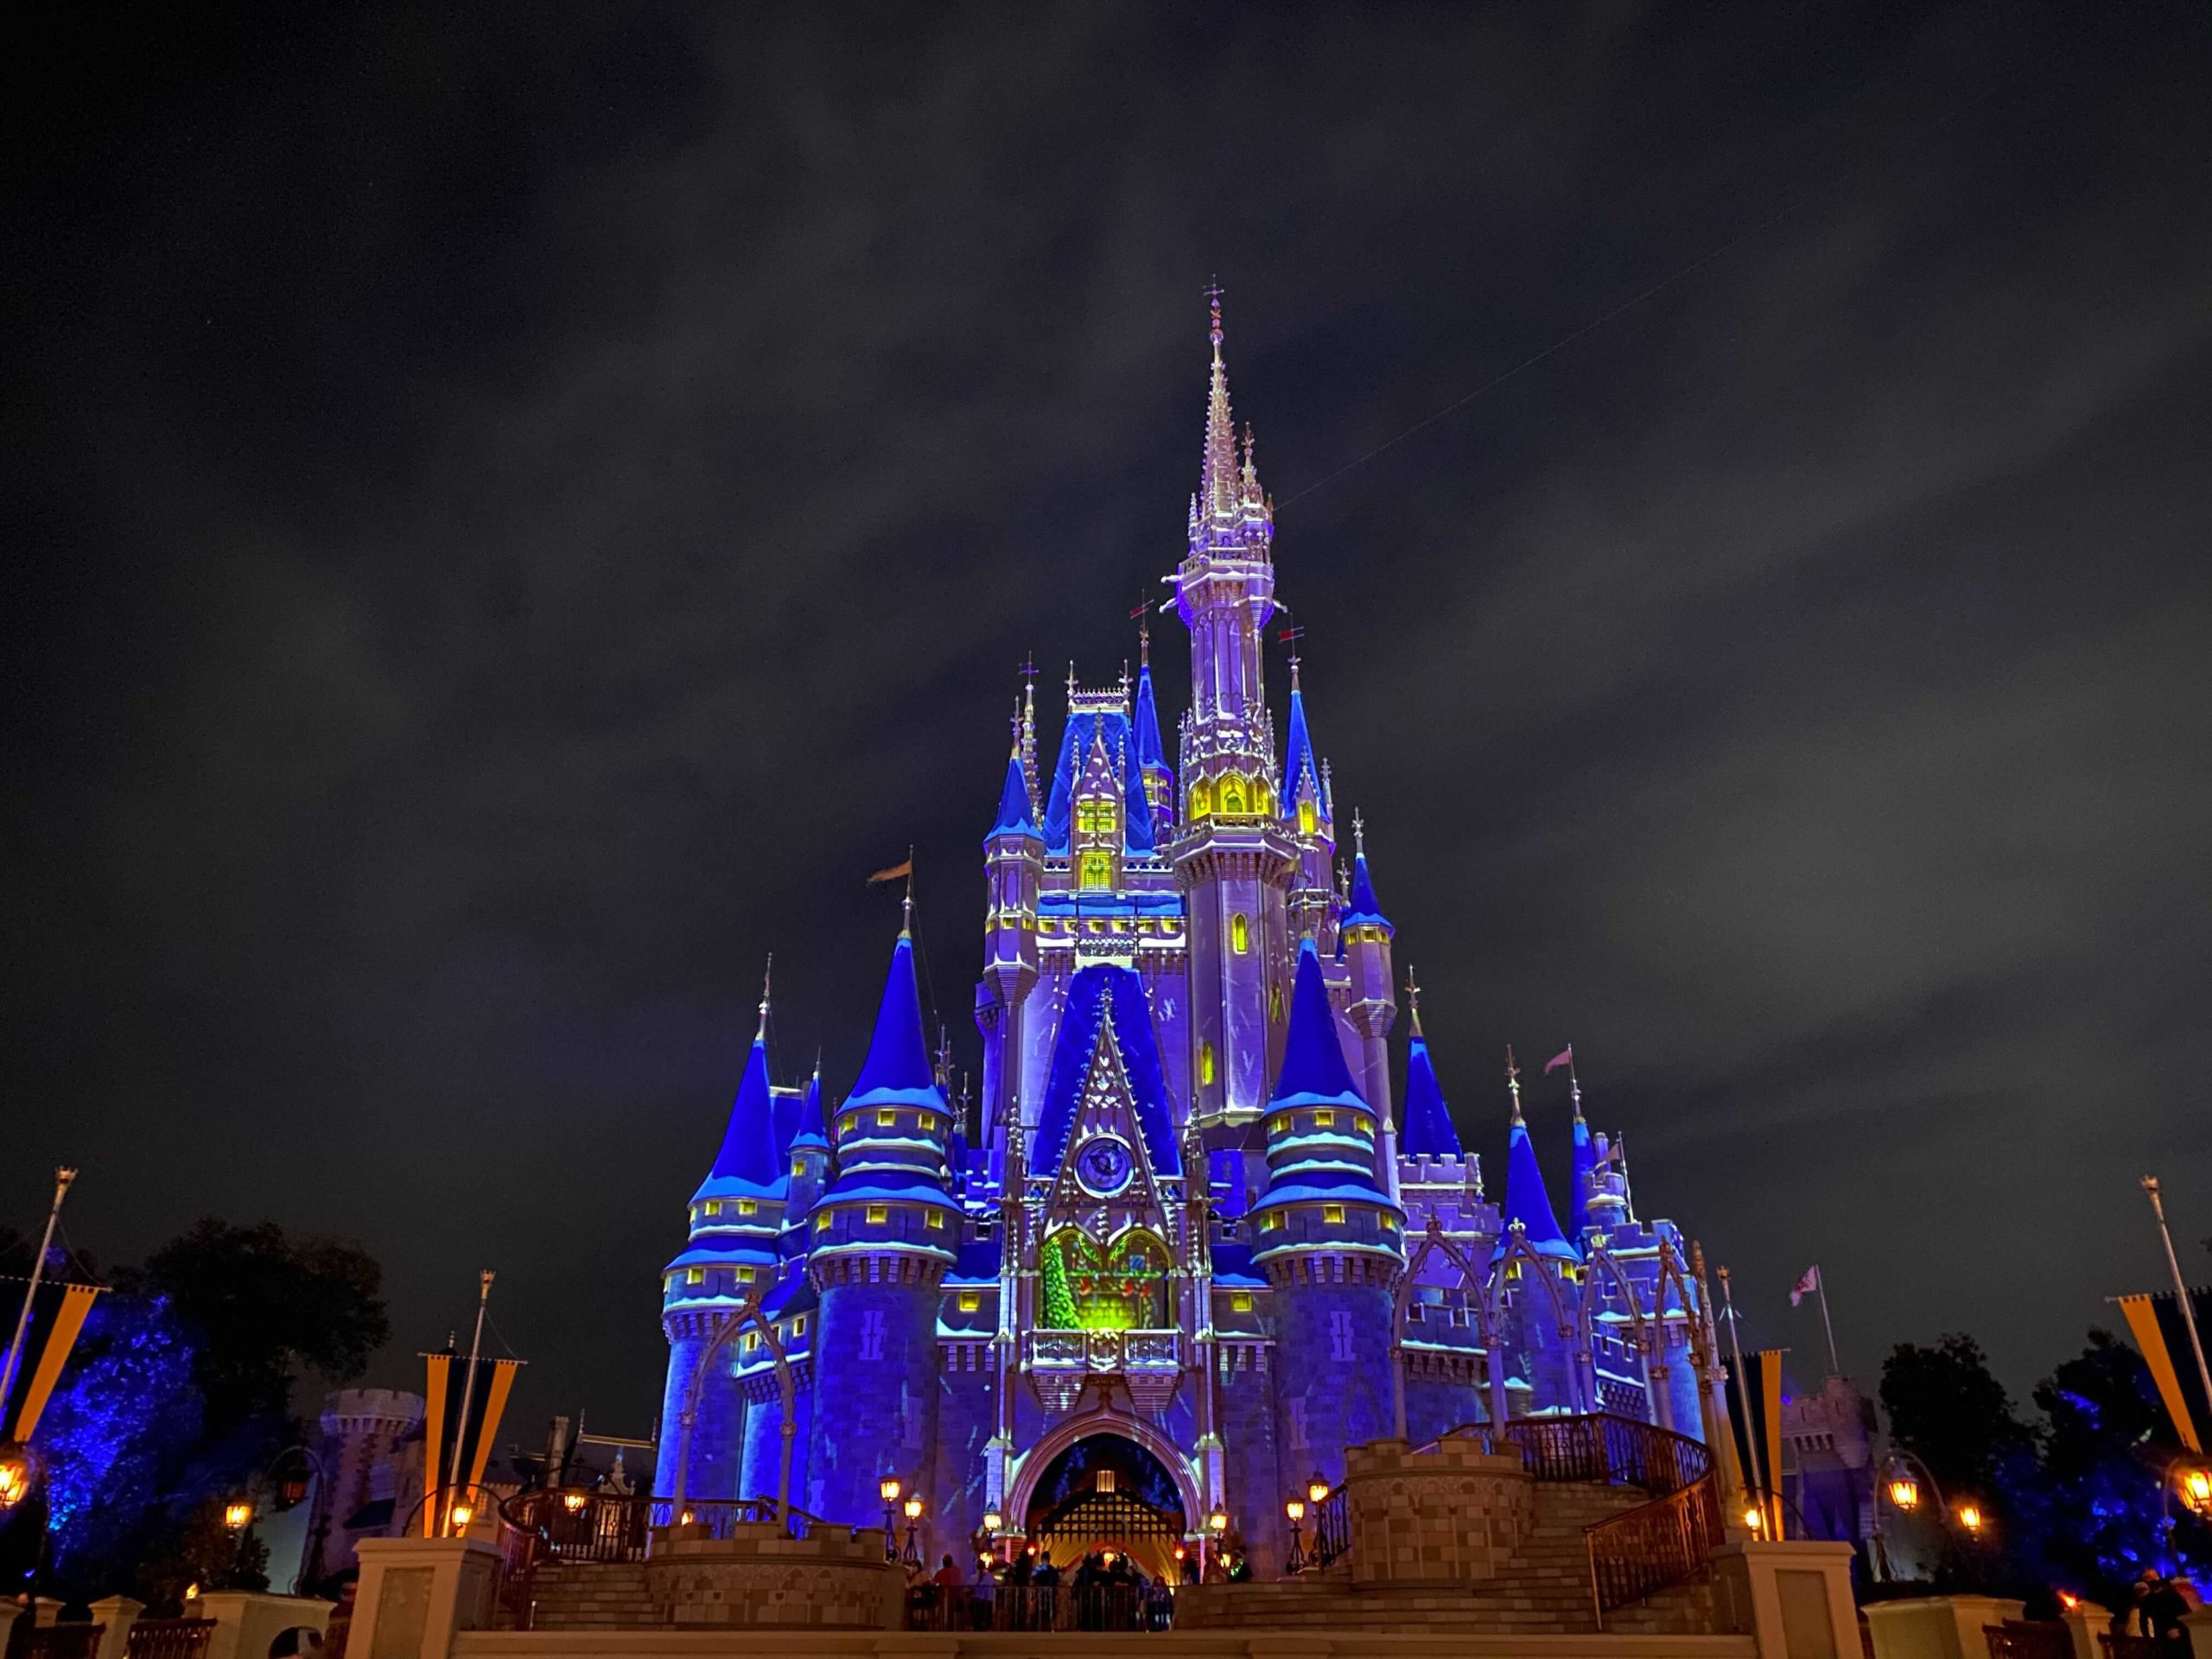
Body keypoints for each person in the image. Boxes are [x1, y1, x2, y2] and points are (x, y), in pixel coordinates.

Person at [2141, 1576, 2191, 1653]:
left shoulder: (2149, 1600)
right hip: (2179, 1631)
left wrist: (2147, 1638)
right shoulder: (2174, 1596)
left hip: (2163, 1634)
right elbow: (2187, 1613)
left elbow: (2143, 1621)